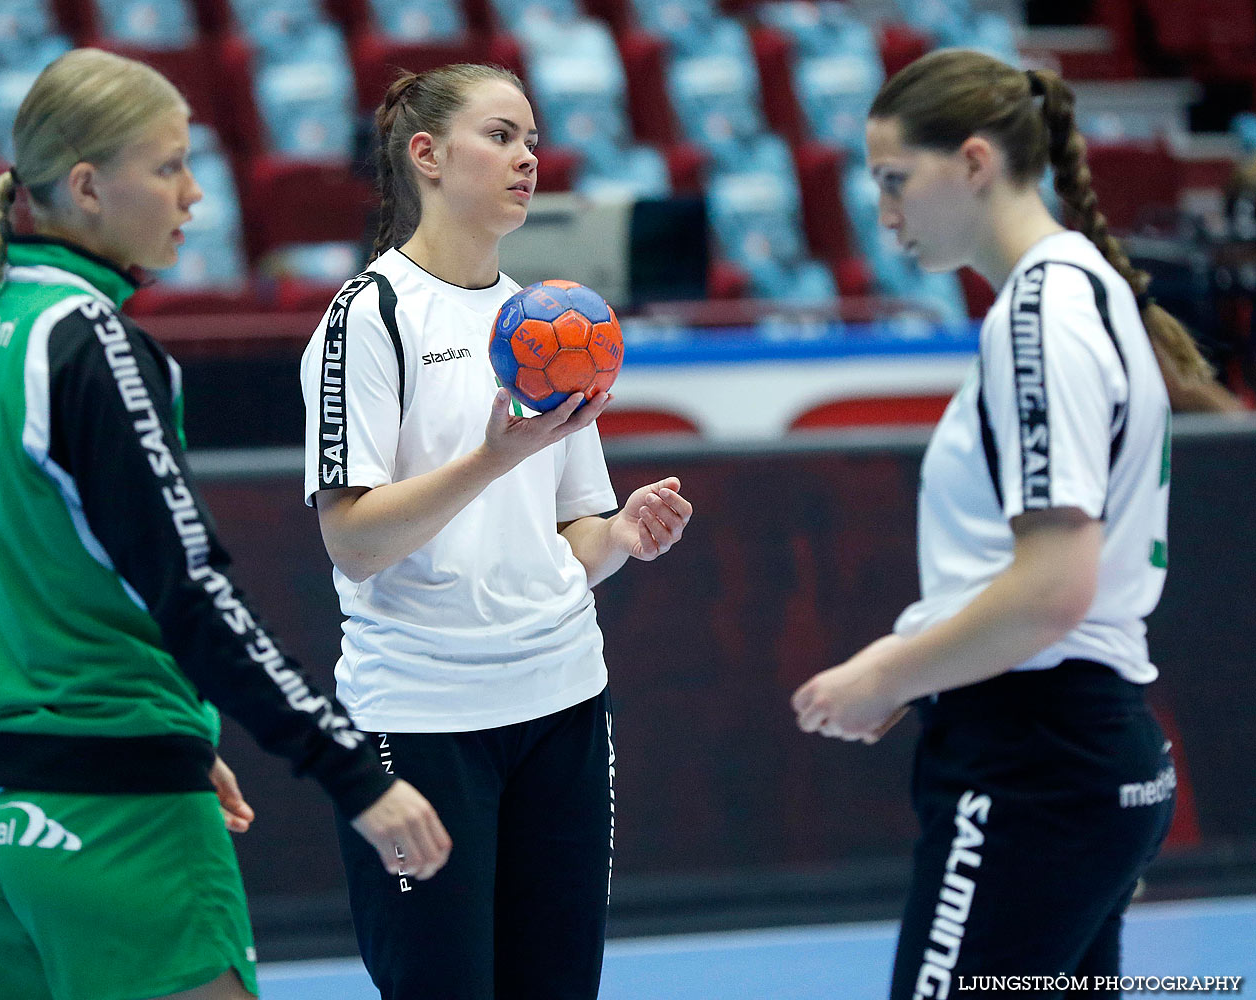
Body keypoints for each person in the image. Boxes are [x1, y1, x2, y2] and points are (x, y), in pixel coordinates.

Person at [0, 49, 449, 1000]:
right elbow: (194, 591)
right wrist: (352, 772)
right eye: (168, 167)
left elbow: (43, 578)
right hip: (120, 821)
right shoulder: (95, 346)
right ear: (86, 186)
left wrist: (187, 739)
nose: (195, 196)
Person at [791, 50, 1187, 997]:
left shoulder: (1041, 316)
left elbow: (1054, 588)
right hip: (1075, 752)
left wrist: (884, 671)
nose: (883, 216)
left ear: (973, 162)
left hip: (1032, 764)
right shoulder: (1079, 291)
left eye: (895, 181)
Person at [298, 64, 693, 1000]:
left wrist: (624, 536)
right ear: (426, 156)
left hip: (561, 704)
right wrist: (490, 456)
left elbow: (574, 536)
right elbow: (350, 543)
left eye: (533, 142)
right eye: (502, 136)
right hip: (421, 722)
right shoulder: (370, 317)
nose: (527, 160)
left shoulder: (552, 323)